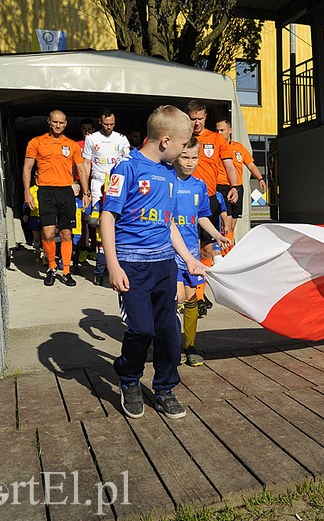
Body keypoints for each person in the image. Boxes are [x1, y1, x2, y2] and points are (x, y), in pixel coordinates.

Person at [100, 104, 203, 420]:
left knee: (169, 330)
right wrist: (113, 265)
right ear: (166, 141)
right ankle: (129, 378)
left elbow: (168, 222)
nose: (185, 151)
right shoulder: (126, 168)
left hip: (165, 265)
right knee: (141, 329)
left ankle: (165, 388)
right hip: (132, 266)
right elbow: (107, 217)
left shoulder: (170, 173)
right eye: (183, 145)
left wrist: (188, 259)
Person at [173, 136, 231, 367]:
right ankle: (170, 343)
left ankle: (190, 345)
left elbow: (202, 216)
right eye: (185, 157)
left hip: (192, 254)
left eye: (194, 157)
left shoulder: (199, 186)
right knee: (176, 298)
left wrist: (217, 235)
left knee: (192, 299)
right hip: (171, 254)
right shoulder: (166, 182)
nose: (189, 162)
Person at [23, 110, 90, 287]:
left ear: (66, 124)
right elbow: (27, 168)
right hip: (45, 191)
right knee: (48, 233)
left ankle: (66, 270)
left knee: (66, 233)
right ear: (49, 122)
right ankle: (52, 267)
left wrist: (86, 193)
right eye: (55, 122)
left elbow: (82, 170)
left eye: (61, 122)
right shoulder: (37, 142)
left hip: (66, 192)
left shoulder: (72, 145)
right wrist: (26, 192)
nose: (58, 125)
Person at [186, 100, 239, 309]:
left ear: (205, 116)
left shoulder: (216, 139)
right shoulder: (182, 137)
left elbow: (229, 165)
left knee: (207, 250)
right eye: (193, 118)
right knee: (189, 249)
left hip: (208, 201)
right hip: (184, 199)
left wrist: (234, 187)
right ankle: (190, 294)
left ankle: (199, 294)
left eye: (200, 118)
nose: (197, 122)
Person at [82, 108, 131, 283]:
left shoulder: (121, 139)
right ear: (100, 122)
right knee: (99, 225)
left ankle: (117, 266)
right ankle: (99, 268)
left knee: (118, 224)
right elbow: (86, 164)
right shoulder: (92, 139)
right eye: (106, 124)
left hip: (116, 184)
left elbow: (129, 161)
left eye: (112, 124)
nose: (109, 127)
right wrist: (86, 191)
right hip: (97, 184)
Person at [214, 117, 266, 246]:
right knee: (224, 223)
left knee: (232, 224)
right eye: (217, 130)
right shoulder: (214, 147)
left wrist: (260, 178)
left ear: (230, 130)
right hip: (221, 187)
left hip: (237, 188)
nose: (219, 133)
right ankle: (224, 253)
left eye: (222, 130)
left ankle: (228, 249)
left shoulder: (239, 147)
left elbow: (251, 165)